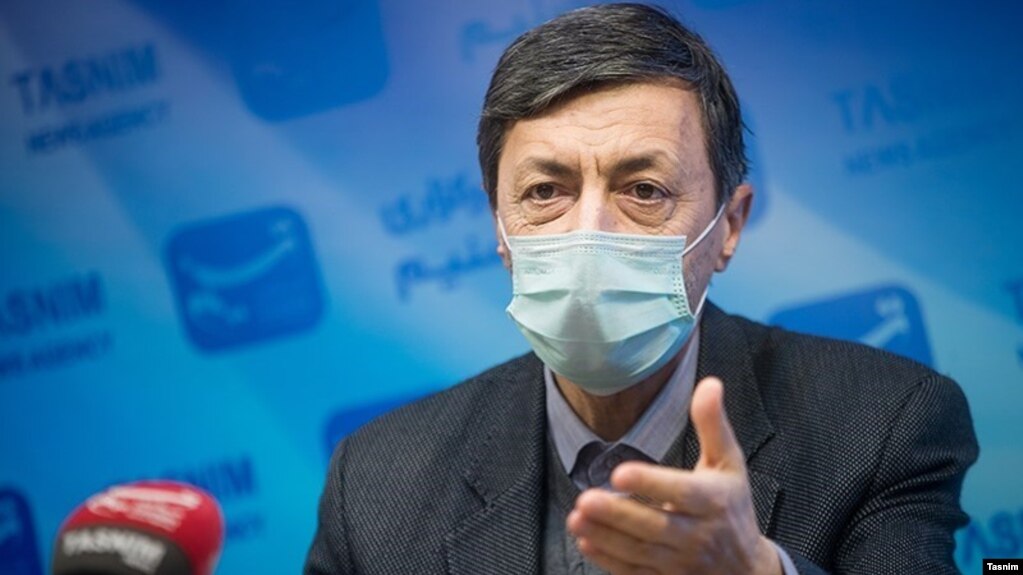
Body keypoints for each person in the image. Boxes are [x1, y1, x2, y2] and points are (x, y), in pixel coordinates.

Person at [305, 4, 978, 574]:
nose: (588, 233)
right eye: (545, 191)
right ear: (499, 229)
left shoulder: (883, 424)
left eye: (644, 190)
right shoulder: (376, 485)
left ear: (729, 226)